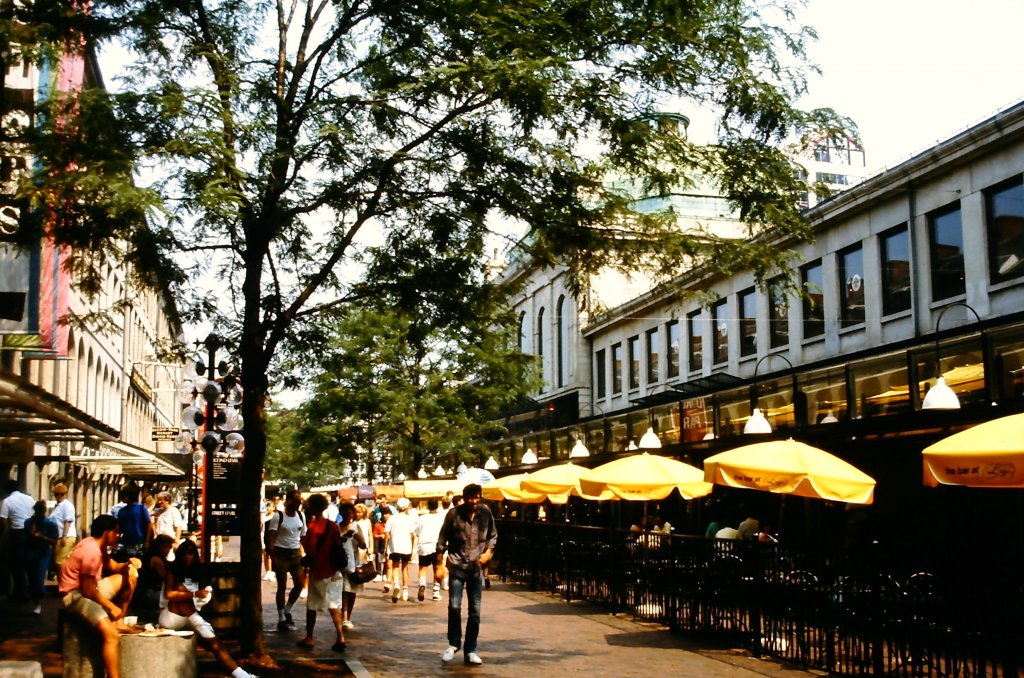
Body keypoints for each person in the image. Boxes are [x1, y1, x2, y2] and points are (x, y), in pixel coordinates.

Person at [159, 539, 258, 678]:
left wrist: (204, 595)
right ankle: (199, 623)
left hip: (190, 618)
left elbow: (198, 602)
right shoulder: (173, 571)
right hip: (172, 616)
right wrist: (193, 594)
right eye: (184, 554)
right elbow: (169, 594)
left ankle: (241, 675)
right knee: (181, 591)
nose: (187, 557)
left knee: (215, 644)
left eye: (191, 554)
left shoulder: (198, 573)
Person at [58, 514, 140, 678]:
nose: (118, 536)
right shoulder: (91, 551)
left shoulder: (97, 545)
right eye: (116, 532)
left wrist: (129, 564)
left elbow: (115, 566)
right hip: (75, 596)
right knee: (110, 634)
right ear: (106, 532)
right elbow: (88, 591)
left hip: (88, 590)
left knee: (131, 574)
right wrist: (111, 607)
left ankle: (119, 621)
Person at [436, 483, 497, 666]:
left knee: (475, 611)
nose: (474, 501)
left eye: (477, 497)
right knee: (454, 606)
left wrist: (488, 553)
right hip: (456, 565)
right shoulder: (454, 514)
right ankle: (454, 643)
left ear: (481, 497)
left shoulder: (486, 514)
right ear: (464, 497)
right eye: (471, 497)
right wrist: (439, 565)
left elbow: (493, 537)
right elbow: (441, 540)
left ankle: (471, 649)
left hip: (476, 569)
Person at [296, 493, 347, 652]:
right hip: (334, 570)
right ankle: (340, 637)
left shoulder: (312, 527)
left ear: (312, 507)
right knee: (334, 605)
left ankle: (309, 637)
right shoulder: (333, 525)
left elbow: (310, 551)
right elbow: (338, 545)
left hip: (319, 570)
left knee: (312, 605)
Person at [267, 488, 306, 631]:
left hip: (295, 554)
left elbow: (303, 536)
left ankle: (287, 609)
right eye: (296, 500)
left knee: (300, 583)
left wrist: (308, 552)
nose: (298, 503)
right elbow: (271, 537)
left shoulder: (301, 516)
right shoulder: (279, 516)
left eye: (300, 500)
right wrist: (273, 556)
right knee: (281, 587)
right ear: (288, 501)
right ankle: (281, 618)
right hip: (281, 553)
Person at [0, 478, 35, 603]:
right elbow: (33, 515)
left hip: (17, 533)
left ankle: (20, 593)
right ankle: (29, 590)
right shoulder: (29, 499)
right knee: (28, 562)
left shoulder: (7, 501)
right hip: (30, 532)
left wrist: (7, 533)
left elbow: (3, 520)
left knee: (16, 564)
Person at [25, 499, 59, 614]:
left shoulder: (50, 523)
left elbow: (54, 541)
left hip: (43, 554)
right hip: (30, 553)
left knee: (39, 579)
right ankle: (35, 602)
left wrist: (43, 537)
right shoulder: (28, 522)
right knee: (32, 580)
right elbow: (27, 535)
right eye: (37, 510)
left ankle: (38, 603)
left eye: (41, 510)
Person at [336, 501, 366, 630]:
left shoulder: (356, 526)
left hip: (354, 562)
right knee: (343, 591)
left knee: (352, 591)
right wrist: (343, 538)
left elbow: (363, 545)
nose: (349, 515)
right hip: (340, 563)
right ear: (341, 513)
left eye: (350, 513)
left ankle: (348, 617)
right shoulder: (336, 527)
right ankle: (344, 616)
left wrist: (357, 536)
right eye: (346, 513)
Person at [132, 534, 175, 620]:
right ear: (158, 547)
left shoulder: (161, 559)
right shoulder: (156, 559)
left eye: (169, 547)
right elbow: (164, 579)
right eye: (164, 547)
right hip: (148, 593)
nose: (167, 550)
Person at [385, 496, 417, 603]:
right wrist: (413, 549)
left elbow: (387, 534)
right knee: (405, 568)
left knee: (395, 566)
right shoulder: (409, 519)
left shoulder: (392, 518)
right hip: (406, 547)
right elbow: (413, 535)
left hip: (394, 546)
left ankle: (396, 586)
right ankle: (405, 592)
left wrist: (386, 548)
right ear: (407, 507)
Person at [415, 498, 446, 601]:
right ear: (437, 506)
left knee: (423, 567)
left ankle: (422, 584)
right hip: (437, 545)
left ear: (428, 506)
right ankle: (436, 591)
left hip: (424, 545)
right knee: (437, 567)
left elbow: (417, 531)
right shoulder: (442, 518)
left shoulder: (422, 518)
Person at [117, 485, 153, 560]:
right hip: (125, 543)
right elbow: (119, 527)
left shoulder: (142, 508)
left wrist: (147, 541)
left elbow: (149, 524)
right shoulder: (122, 511)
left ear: (127, 497)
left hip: (140, 543)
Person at [51, 483, 78, 567]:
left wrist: (64, 536)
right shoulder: (59, 506)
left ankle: (63, 580)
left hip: (66, 537)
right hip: (59, 537)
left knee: (61, 562)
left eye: (60, 494)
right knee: (58, 561)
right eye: (56, 494)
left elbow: (68, 521)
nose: (58, 496)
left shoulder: (67, 505)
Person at [372, 511, 389, 584]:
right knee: (379, 558)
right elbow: (374, 535)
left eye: (387, 514)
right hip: (380, 544)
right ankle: (378, 573)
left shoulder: (391, 524)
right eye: (384, 514)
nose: (386, 516)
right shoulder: (378, 525)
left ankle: (385, 574)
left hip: (388, 544)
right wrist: (380, 536)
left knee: (387, 559)